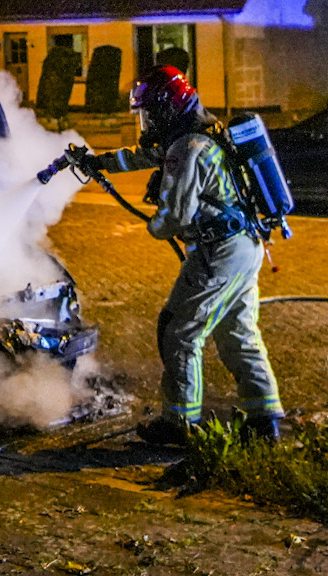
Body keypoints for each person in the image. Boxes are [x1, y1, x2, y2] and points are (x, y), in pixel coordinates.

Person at [101, 65, 282, 445]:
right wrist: (97, 163)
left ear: (167, 107)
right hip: (245, 246)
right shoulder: (202, 133)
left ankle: (179, 424)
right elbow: (144, 155)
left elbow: (173, 217)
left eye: (149, 112)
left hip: (218, 252)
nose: (146, 120)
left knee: (179, 331)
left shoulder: (188, 148)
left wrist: (153, 226)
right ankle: (265, 422)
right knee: (238, 335)